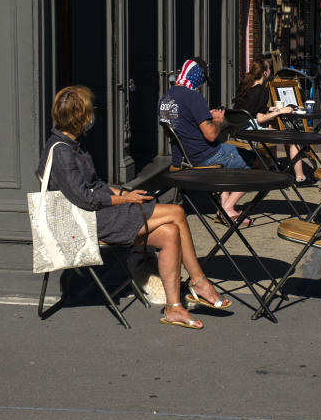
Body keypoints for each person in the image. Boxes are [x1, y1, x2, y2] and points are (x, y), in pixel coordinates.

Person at [39, 85, 230, 330]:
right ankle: (199, 281)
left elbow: (96, 186)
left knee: (171, 232)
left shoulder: (74, 145)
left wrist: (126, 193)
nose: (92, 116)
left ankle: (174, 308)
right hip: (88, 222)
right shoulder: (63, 152)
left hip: (101, 212)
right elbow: (85, 199)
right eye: (90, 111)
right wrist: (125, 200)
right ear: (80, 117)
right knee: (177, 212)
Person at [158, 57, 250, 224]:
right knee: (257, 163)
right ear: (197, 75)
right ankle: (227, 209)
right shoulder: (193, 96)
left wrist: (200, 118)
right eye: (202, 79)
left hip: (182, 158)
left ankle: (223, 204)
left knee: (228, 155)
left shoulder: (166, 98)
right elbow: (211, 135)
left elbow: (172, 130)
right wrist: (217, 120)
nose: (201, 84)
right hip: (204, 156)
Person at [233, 58, 312, 185]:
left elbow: (251, 108)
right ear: (265, 73)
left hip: (238, 128)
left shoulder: (246, 86)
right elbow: (260, 118)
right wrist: (280, 111)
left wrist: (268, 108)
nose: (270, 71)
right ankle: (300, 177)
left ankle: (273, 166)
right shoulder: (262, 90)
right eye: (269, 69)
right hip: (249, 131)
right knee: (292, 140)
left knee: (275, 126)